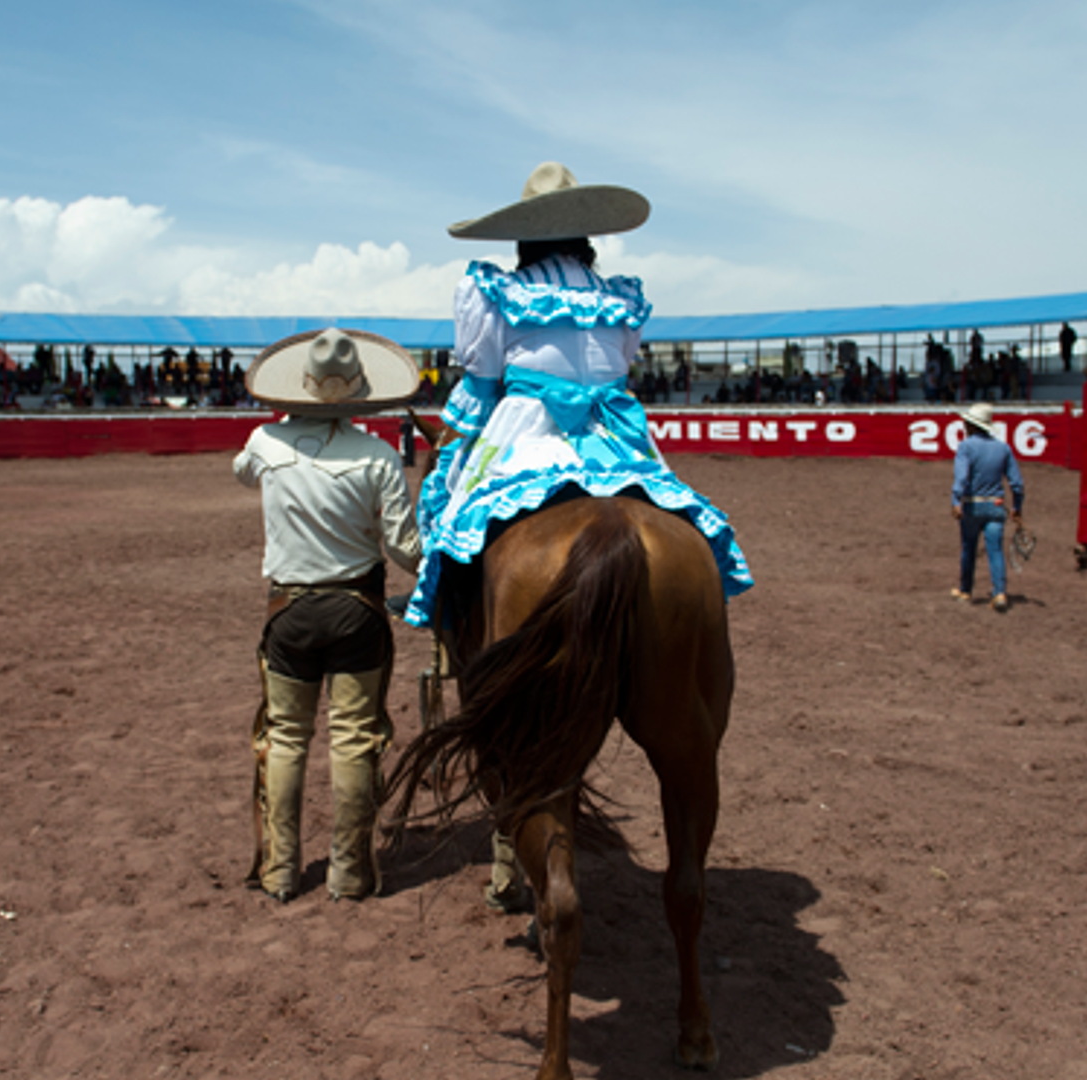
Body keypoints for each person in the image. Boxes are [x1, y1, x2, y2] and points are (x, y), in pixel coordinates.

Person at [404, 161, 752, 630]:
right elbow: (620, 366)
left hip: (525, 429)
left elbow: (482, 383)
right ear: (586, 235)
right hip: (612, 430)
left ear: (523, 237)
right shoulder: (620, 298)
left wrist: (459, 443)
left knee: (454, 515)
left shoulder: (495, 291)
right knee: (674, 506)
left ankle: (449, 619)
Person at [234, 327, 423, 903]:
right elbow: (405, 550)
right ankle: (349, 873)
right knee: (354, 739)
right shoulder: (380, 455)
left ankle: (281, 871)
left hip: (289, 611)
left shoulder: (265, 442)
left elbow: (242, 469)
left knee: (287, 737)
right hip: (357, 612)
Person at [950, 402, 1025, 613]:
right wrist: (1017, 507)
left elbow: (962, 477)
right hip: (996, 505)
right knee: (995, 549)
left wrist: (956, 501)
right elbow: (1017, 483)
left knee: (968, 547)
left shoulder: (966, 447)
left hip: (973, 505)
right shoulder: (1003, 448)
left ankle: (966, 590)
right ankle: (999, 592)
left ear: (972, 425)